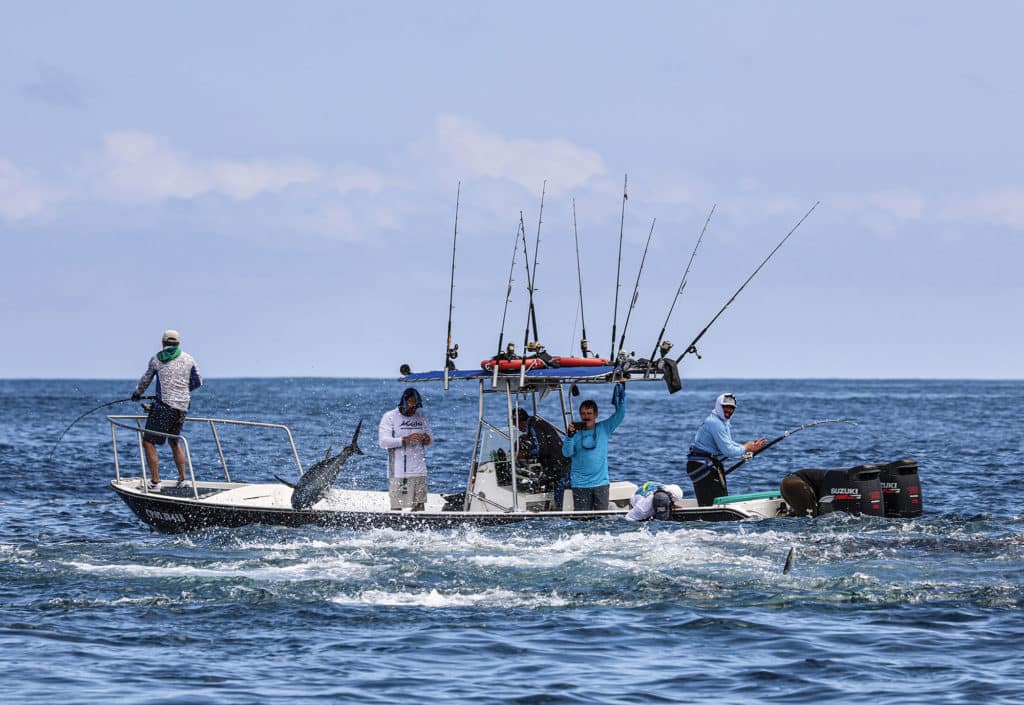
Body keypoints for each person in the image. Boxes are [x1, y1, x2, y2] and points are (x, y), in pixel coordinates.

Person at [131, 329, 203, 490]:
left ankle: (156, 482)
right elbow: (198, 381)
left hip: (164, 407)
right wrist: (183, 391)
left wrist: (137, 394)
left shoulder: (156, 359)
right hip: (182, 407)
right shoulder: (189, 359)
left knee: (148, 441)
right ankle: (183, 479)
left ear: (163, 343)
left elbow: (146, 380)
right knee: (174, 440)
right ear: (178, 343)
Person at [686, 393, 767, 506]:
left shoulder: (722, 423)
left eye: (731, 408)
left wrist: (750, 449)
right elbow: (728, 450)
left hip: (709, 466)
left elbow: (729, 445)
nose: (729, 410)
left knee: (719, 500)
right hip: (702, 467)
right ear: (719, 406)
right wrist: (745, 448)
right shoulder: (715, 423)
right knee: (714, 504)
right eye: (726, 407)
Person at [561, 382, 626, 511]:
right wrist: (569, 436)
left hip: (601, 484)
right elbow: (566, 454)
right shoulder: (575, 432)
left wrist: (622, 389)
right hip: (580, 485)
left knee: (601, 520)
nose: (586, 417)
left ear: (596, 414)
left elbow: (620, 414)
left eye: (589, 413)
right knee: (583, 521)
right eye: (583, 414)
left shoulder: (604, 428)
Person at [378, 387, 432, 512]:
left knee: (419, 506)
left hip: (419, 469)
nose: (413, 410)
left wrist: (427, 439)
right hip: (398, 470)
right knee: (397, 506)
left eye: (416, 407)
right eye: (411, 407)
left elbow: (431, 439)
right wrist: (405, 439)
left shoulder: (421, 417)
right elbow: (383, 442)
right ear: (403, 403)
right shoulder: (390, 417)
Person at [515, 408, 571, 501]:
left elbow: (541, 449)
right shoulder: (538, 423)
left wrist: (525, 454)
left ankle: (559, 511)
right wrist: (529, 437)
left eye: (516, 425)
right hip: (562, 463)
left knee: (560, 497)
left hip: (558, 466)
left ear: (520, 422)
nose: (518, 429)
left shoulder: (534, 426)